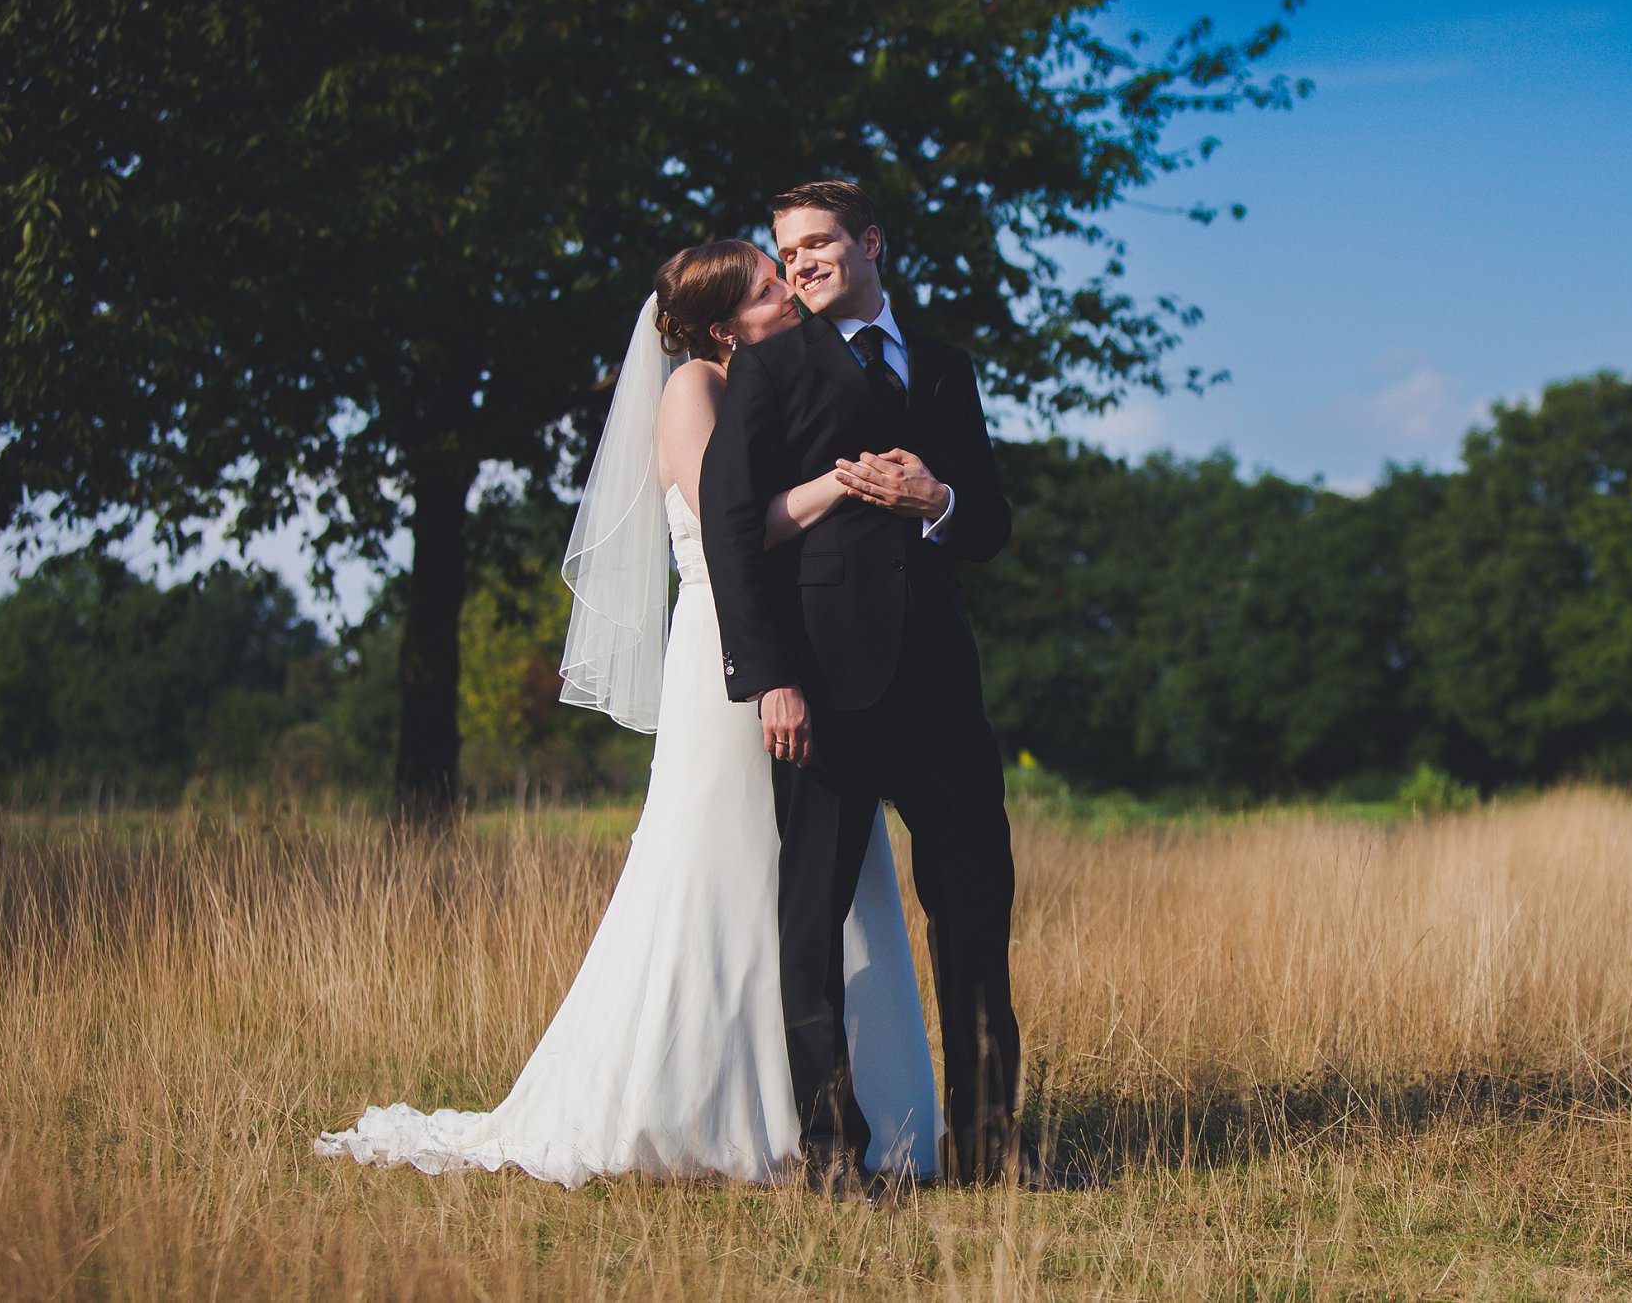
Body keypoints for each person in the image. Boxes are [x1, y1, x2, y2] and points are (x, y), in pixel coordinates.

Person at [315, 241, 940, 1189]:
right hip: (723, 653)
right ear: (726, 323)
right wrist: (847, 481)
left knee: (826, 880)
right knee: (711, 865)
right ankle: (699, 1110)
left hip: (803, 650)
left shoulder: (791, 373)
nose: (789, 290)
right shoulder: (694, 388)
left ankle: (852, 1117)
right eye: (768, 286)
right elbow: (736, 522)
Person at [702, 179, 1085, 1192]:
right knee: (811, 917)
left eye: (821, 242)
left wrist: (940, 498)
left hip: (941, 687)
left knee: (973, 902)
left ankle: (991, 1142)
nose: (803, 264)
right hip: (821, 686)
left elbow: (992, 522)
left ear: (870, 241)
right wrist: (768, 677)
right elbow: (730, 525)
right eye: (788, 251)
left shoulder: (947, 366)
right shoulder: (771, 367)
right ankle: (831, 1151)